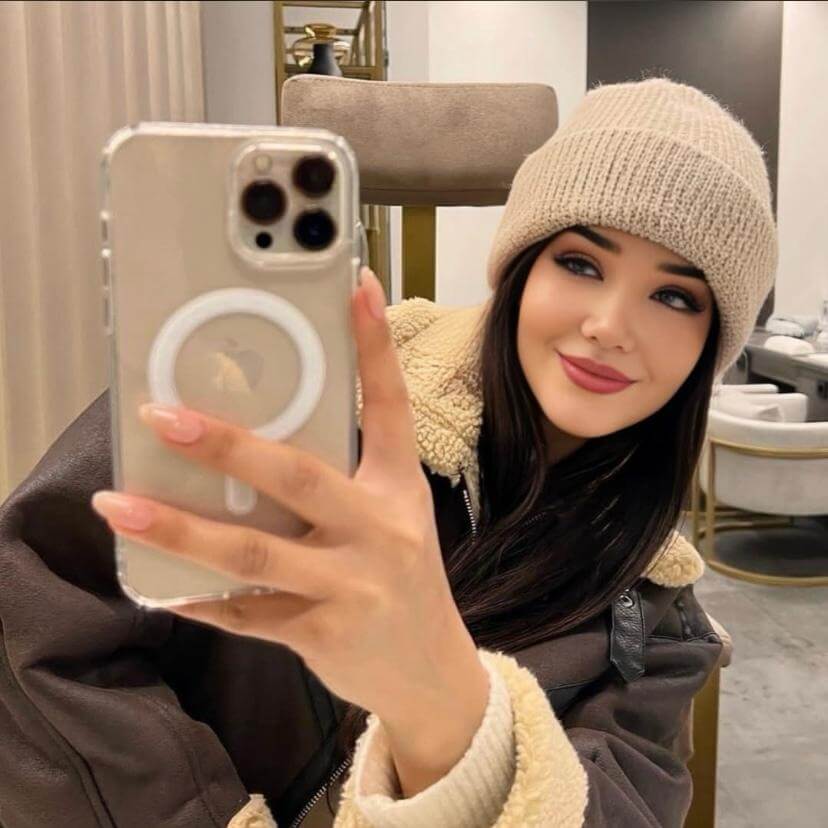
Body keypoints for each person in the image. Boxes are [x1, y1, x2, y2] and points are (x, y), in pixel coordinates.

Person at [0, 76, 776, 828]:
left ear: (711, 343)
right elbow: (37, 611)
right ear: (521, 267)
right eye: (580, 263)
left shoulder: (658, 622)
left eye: (674, 296)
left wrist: (440, 704)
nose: (609, 324)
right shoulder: (305, 392)